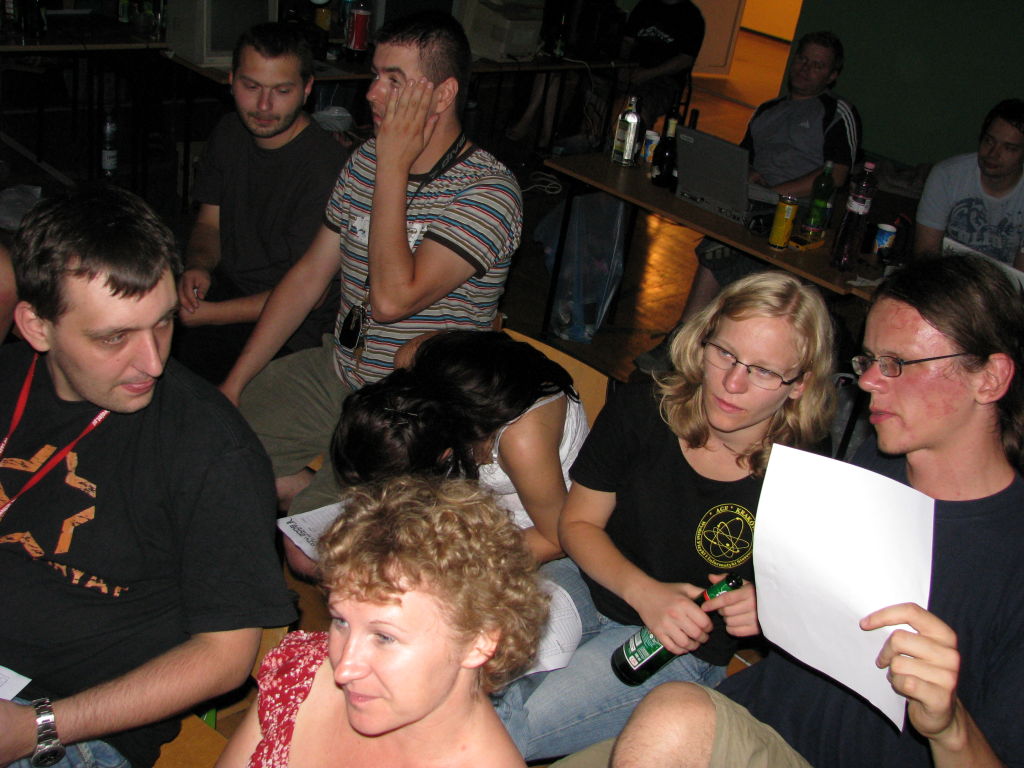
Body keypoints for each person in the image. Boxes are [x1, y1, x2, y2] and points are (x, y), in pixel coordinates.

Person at [570, 254, 1024, 768]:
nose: (869, 382)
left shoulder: (1010, 558)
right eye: (870, 361)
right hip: (751, 715)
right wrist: (773, 607)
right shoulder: (876, 466)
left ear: (990, 378)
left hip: (736, 728)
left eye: (898, 363)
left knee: (671, 716)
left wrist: (950, 728)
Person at [0, 186, 295, 768]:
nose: (153, 362)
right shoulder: (9, 378)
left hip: (73, 722)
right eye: (114, 337)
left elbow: (225, 658)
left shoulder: (212, 450)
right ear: (36, 327)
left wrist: (38, 727)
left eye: (162, 324)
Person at [495, 271, 836, 761]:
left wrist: (767, 609)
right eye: (725, 353)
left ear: (799, 384)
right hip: (592, 580)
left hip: (687, 644)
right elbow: (578, 524)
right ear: (702, 340)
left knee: (516, 724)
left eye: (763, 372)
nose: (733, 383)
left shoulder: (808, 474)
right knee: (469, 664)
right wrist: (645, 593)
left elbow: (813, 604)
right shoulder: (642, 408)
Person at [219, 11, 523, 516]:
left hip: (414, 410)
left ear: (442, 96)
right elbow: (309, 276)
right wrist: (236, 381)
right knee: (215, 441)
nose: (372, 94)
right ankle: (308, 494)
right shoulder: (365, 162)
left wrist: (393, 165)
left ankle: (329, 506)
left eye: (394, 81)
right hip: (340, 369)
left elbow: (391, 301)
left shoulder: (488, 192)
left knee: (308, 547)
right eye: (376, 75)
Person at [215, 476, 549, 768]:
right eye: (341, 621)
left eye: (384, 637)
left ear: (479, 641)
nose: (343, 669)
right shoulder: (303, 674)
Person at [637, 31, 861, 373]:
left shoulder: (837, 112)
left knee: (727, 248)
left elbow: (838, 174)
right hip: (754, 200)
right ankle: (685, 339)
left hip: (800, 211)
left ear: (832, 75)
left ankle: (700, 342)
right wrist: (748, 175)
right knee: (717, 235)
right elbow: (742, 160)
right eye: (802, 59)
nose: (805, 69)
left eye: (817, 65)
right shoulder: (768, 110)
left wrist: (779, 191)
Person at [174, 22, 348, 383]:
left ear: (307, 89)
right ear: (231, 81)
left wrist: (209, 315)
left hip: (291, 327)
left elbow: (308, 296)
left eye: (281, 90)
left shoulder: (325, 169)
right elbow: (208, 224)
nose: (264, 105)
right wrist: (199, 266)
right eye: (251, 87)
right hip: (227, 291)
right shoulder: (229, 132)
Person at [329, 330, 589, 564]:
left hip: (540, 517)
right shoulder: (410, 361)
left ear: (445, 456)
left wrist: (452, 564)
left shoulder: (522, 441)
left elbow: (556, 540)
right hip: (474, 503)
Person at [915, 98, 1024, 269]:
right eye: (989, 141)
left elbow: (1020, 277)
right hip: (946, 277)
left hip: (1003, 284)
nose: (993, 154)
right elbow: (925, 255)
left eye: (1009, 148)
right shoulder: (947, 175)